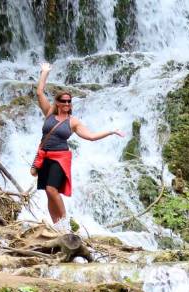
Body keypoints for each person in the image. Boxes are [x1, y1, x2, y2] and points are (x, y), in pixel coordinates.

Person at [34, 62, 124, 229]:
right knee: (48, 192)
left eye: (69, 101)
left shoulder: (73, 122)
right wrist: (45, 72)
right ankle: (56, 226)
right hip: (44, 156)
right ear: (58, 102)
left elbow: (90, 136)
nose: (67, 104)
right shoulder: (49, 113)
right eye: (64, 101)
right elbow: (39, 92)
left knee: (52, 189)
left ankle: (65, 225)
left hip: (60, 158)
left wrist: (111, 131)